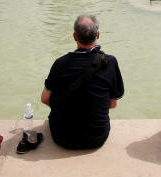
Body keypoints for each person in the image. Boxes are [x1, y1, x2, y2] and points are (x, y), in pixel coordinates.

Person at [42, 15, 124, 150]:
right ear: (98, 35)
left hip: (62, 136)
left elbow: (45, 99)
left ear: (75, 36)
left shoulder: (60, 63)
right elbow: (112, 104)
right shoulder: (110, 63)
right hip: (97, 137)